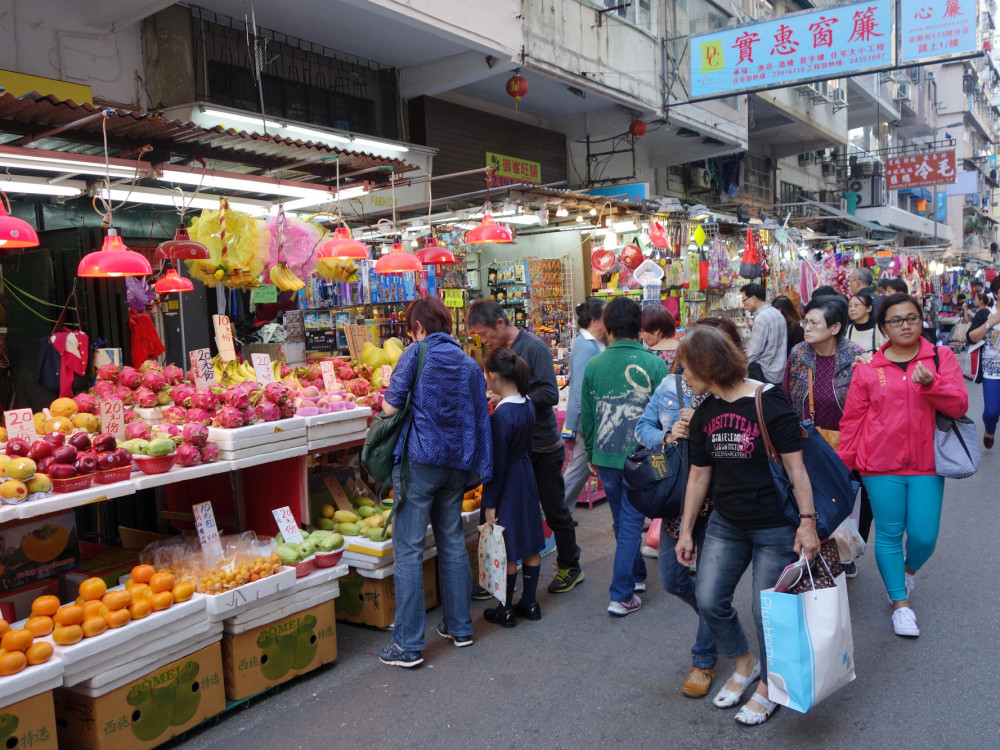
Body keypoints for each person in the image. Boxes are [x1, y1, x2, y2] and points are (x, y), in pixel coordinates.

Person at [675, 326, 820, 726]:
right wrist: (686, 530)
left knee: (765, 612)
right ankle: (744, 661)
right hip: (726, 522)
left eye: (687, 368)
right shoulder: (705, 410)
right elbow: (699, 477)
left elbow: (796, 468)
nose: (682, 376)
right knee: (708, 598)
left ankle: (771, 685)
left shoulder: (768, 401)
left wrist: (807, 524)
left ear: (707, 365)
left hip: (775, 526)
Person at [838, 294, 969, 638]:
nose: (906, 325)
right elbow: (852, 419)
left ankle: (907, 570)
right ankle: (900, 605)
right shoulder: (868, 369)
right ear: (883, 328)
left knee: (925, 536)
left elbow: (958, 406)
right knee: (889, 534)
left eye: (912, 318)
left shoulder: (940, 358)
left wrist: (932, 385)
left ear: (921, 321)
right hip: (879, 466)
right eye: (897, 320)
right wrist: (843, 467)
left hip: (928, 463)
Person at [378, 297, 493, 668]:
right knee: (453, 541)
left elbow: (391, 407)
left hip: (420, 462)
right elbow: (479, 415)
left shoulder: (416, 354)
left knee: (409, 548)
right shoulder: (468, 363)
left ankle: (408, 645)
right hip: (457, 465)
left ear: (419, 328)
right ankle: (460, 628)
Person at [634, 317, 742, 699]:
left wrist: (703, 427)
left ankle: (703, 659)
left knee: (711, 588)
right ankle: (718, 617)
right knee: (673, 579)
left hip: (723, 505)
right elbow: (641, 428)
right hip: (680, 501)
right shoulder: (669, 386)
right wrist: (667, 434)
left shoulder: (736, 393)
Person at [467, 300, 583, 594]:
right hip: (514, 449)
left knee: (554, 510)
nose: (484, 340)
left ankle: (571, 565)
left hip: (540, 447)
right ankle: (495, 575)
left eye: (484, 333)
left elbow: (550, 392)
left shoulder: (534, 348)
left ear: (501, 324)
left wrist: (513, 400)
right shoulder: (498, 354)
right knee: (501, 515)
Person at [580, 297, 668, 616]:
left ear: (608, 327)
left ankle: (636, 577)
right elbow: (664, 417)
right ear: (639, 326)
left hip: (605, 456)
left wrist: (591, 451)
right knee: (630, 523)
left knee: (622, 520)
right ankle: (621, 593)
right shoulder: (655, 364)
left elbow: (587, 415)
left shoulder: (594, 364)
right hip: (641, 458)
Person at [782, 296, 867, 577]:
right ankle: (817, 555)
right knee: (808, 501)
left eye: (814, 322)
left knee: (839, 500)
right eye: (805, 321)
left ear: (835, 327)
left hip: (844, 443)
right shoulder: (798, 354)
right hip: (805, 441)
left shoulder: (855, 357)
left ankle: (843, 553)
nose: (806, 327)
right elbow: (786, 393)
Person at [481, 349, 546, 628]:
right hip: (526, 475)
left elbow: (496, 464)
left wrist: (490, 503)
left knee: (507, 547)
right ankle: (530, 603)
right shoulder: (527, 405)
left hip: (507, 483)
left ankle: (505, 608)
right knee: (529, 541)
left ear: (493, 376)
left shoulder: (500, 417)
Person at [562, 299, 606, 511]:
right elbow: (580, 389)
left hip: (591, 418)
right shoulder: (584, 346)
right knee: (579, 469)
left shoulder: (595, 343)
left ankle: (558, 514)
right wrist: (585, 423)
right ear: (596, 321)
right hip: (585, 420)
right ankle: (554, 513)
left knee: (580, 469)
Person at [966, 285, 1000, 449]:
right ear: (996, 292)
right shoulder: (986, 314)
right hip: (992, 372)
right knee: (992, 412)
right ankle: (990, 428)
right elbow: (971, 338)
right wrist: (989, 323)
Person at [741, 282, 787, 384]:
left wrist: (742, 369)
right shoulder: (777, 314)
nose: (743, 304)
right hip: (779, 373)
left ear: (753, 298)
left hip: (765, 373)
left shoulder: (761, 319)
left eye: (744, 300)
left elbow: (753, 353)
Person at [846, 289, 888, 353]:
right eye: (850, 306)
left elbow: (886, 350)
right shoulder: (850, 328)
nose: (852, 309)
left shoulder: (878, 328)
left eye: (856, 305)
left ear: (869, 308)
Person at [639, 305, 680, 369]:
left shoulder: (649, 356)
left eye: (642, 331)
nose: (641, 336)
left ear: (656, 330)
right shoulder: (687, 350)